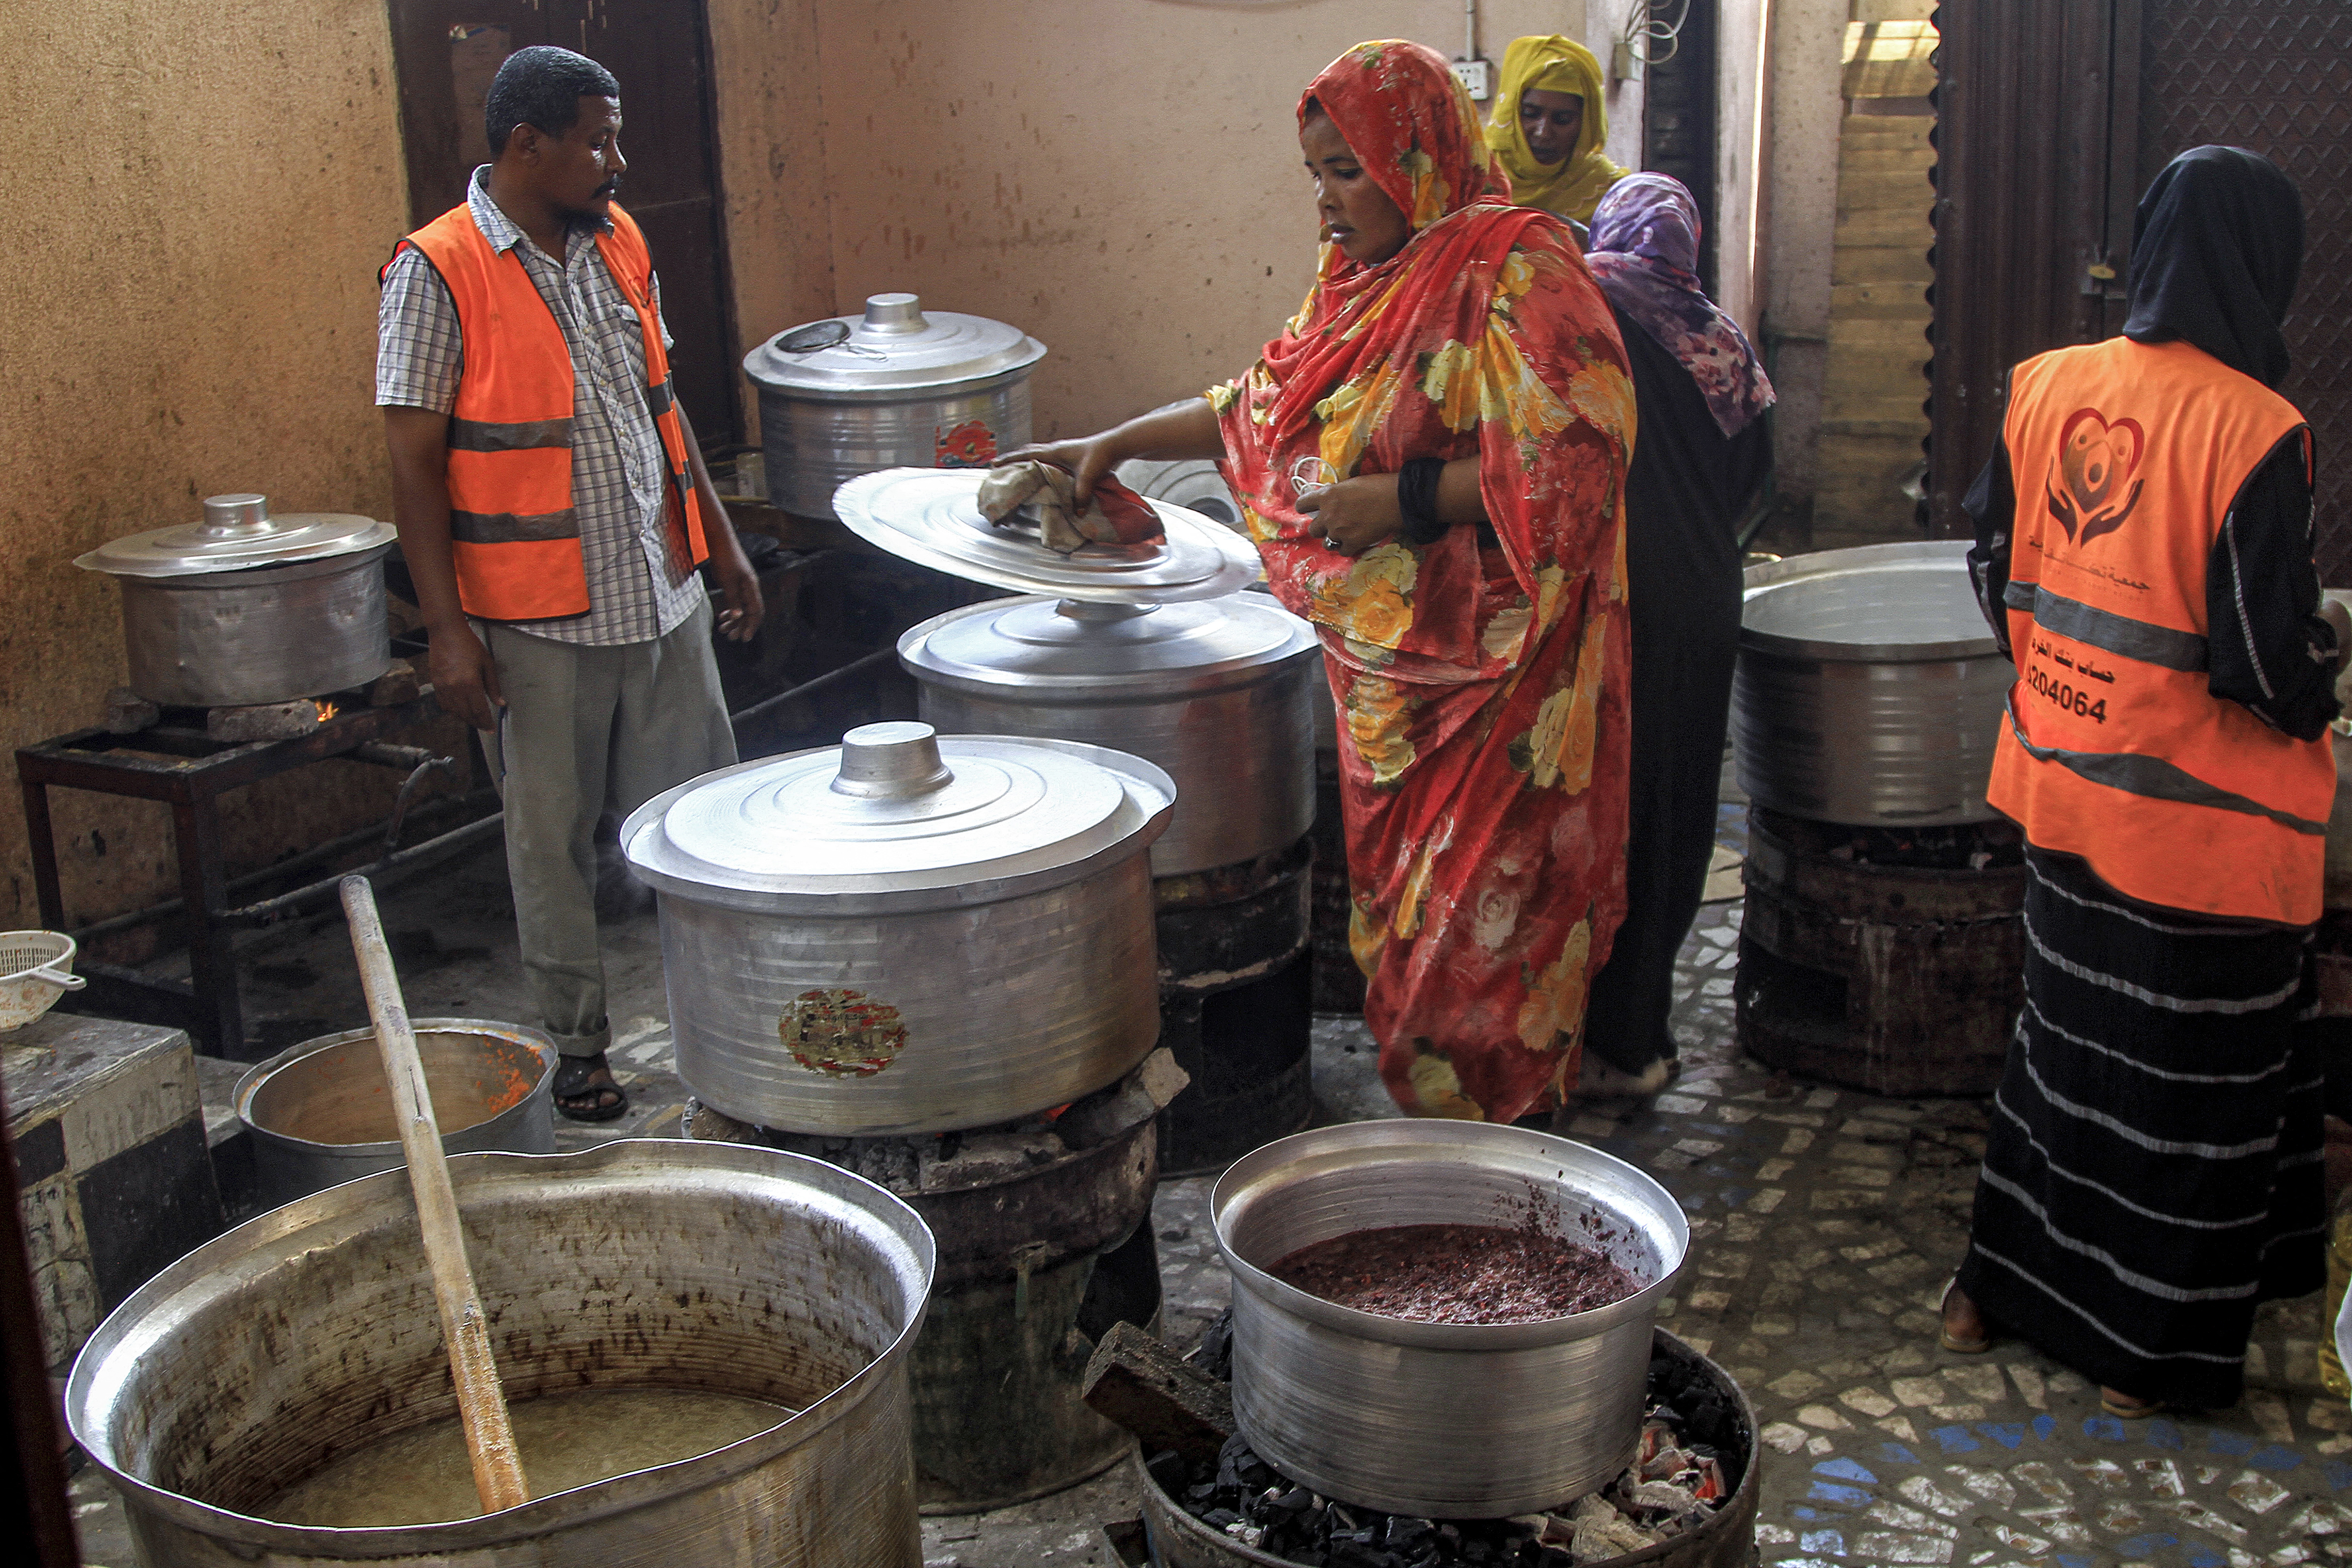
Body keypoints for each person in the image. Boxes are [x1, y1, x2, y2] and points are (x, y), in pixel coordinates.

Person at [1008, 39, 1633, 1124]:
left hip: (1499, 695)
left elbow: (1581, 458)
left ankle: (1501, 1165)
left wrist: (1405, 499)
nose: (1326, 201)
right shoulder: (1356, 287)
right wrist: (1115, 440)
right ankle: (1445, 1155)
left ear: (1417, 160)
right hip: (1387, 695)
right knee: (1406, 940)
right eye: (1315, 174)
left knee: (1486, 956)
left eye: (1349, 171)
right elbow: (1263, 408)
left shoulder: (1520, 269)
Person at [1942, 146, 2349, 1415]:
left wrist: (2072, 678)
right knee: (2189, 1088)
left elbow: (1991, 564)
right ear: (2264, 266)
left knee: (2065, 1054)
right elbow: (2261, 664)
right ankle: (2147, 1352)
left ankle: (1994, 1292)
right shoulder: (2254, 428)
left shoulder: (2046, 383)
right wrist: (2327, 662)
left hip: (2064, 784)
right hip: (2202, 834)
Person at [377, 46, 765, 1122]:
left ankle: (736, 1029)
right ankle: (581, 1046)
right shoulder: (436, 268)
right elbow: (411, 465)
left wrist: (722, 544)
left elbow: (660, 402)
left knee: (705, 825)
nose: (617, 161)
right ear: (525, 145)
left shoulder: (619, 240)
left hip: (663, 592)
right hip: (536, 620)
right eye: (599, 141)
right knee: (550, 845)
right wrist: (447, 633)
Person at [1574, 174, 1773, 1098]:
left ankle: (1570, 1032)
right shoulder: (1720, 341)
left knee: (1590, 806)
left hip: (1600, 594)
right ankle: (1639, 1039)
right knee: (1676, 806)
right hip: (1700, 600)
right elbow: (1754, 484)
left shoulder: (1578, 315)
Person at [1485, 35, 1630, 236]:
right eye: (1530, 114)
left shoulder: (1611, 194)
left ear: (1586, 125)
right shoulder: (1472, 176)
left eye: (1562, 120)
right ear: (1509, 111)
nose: (1543, 133)